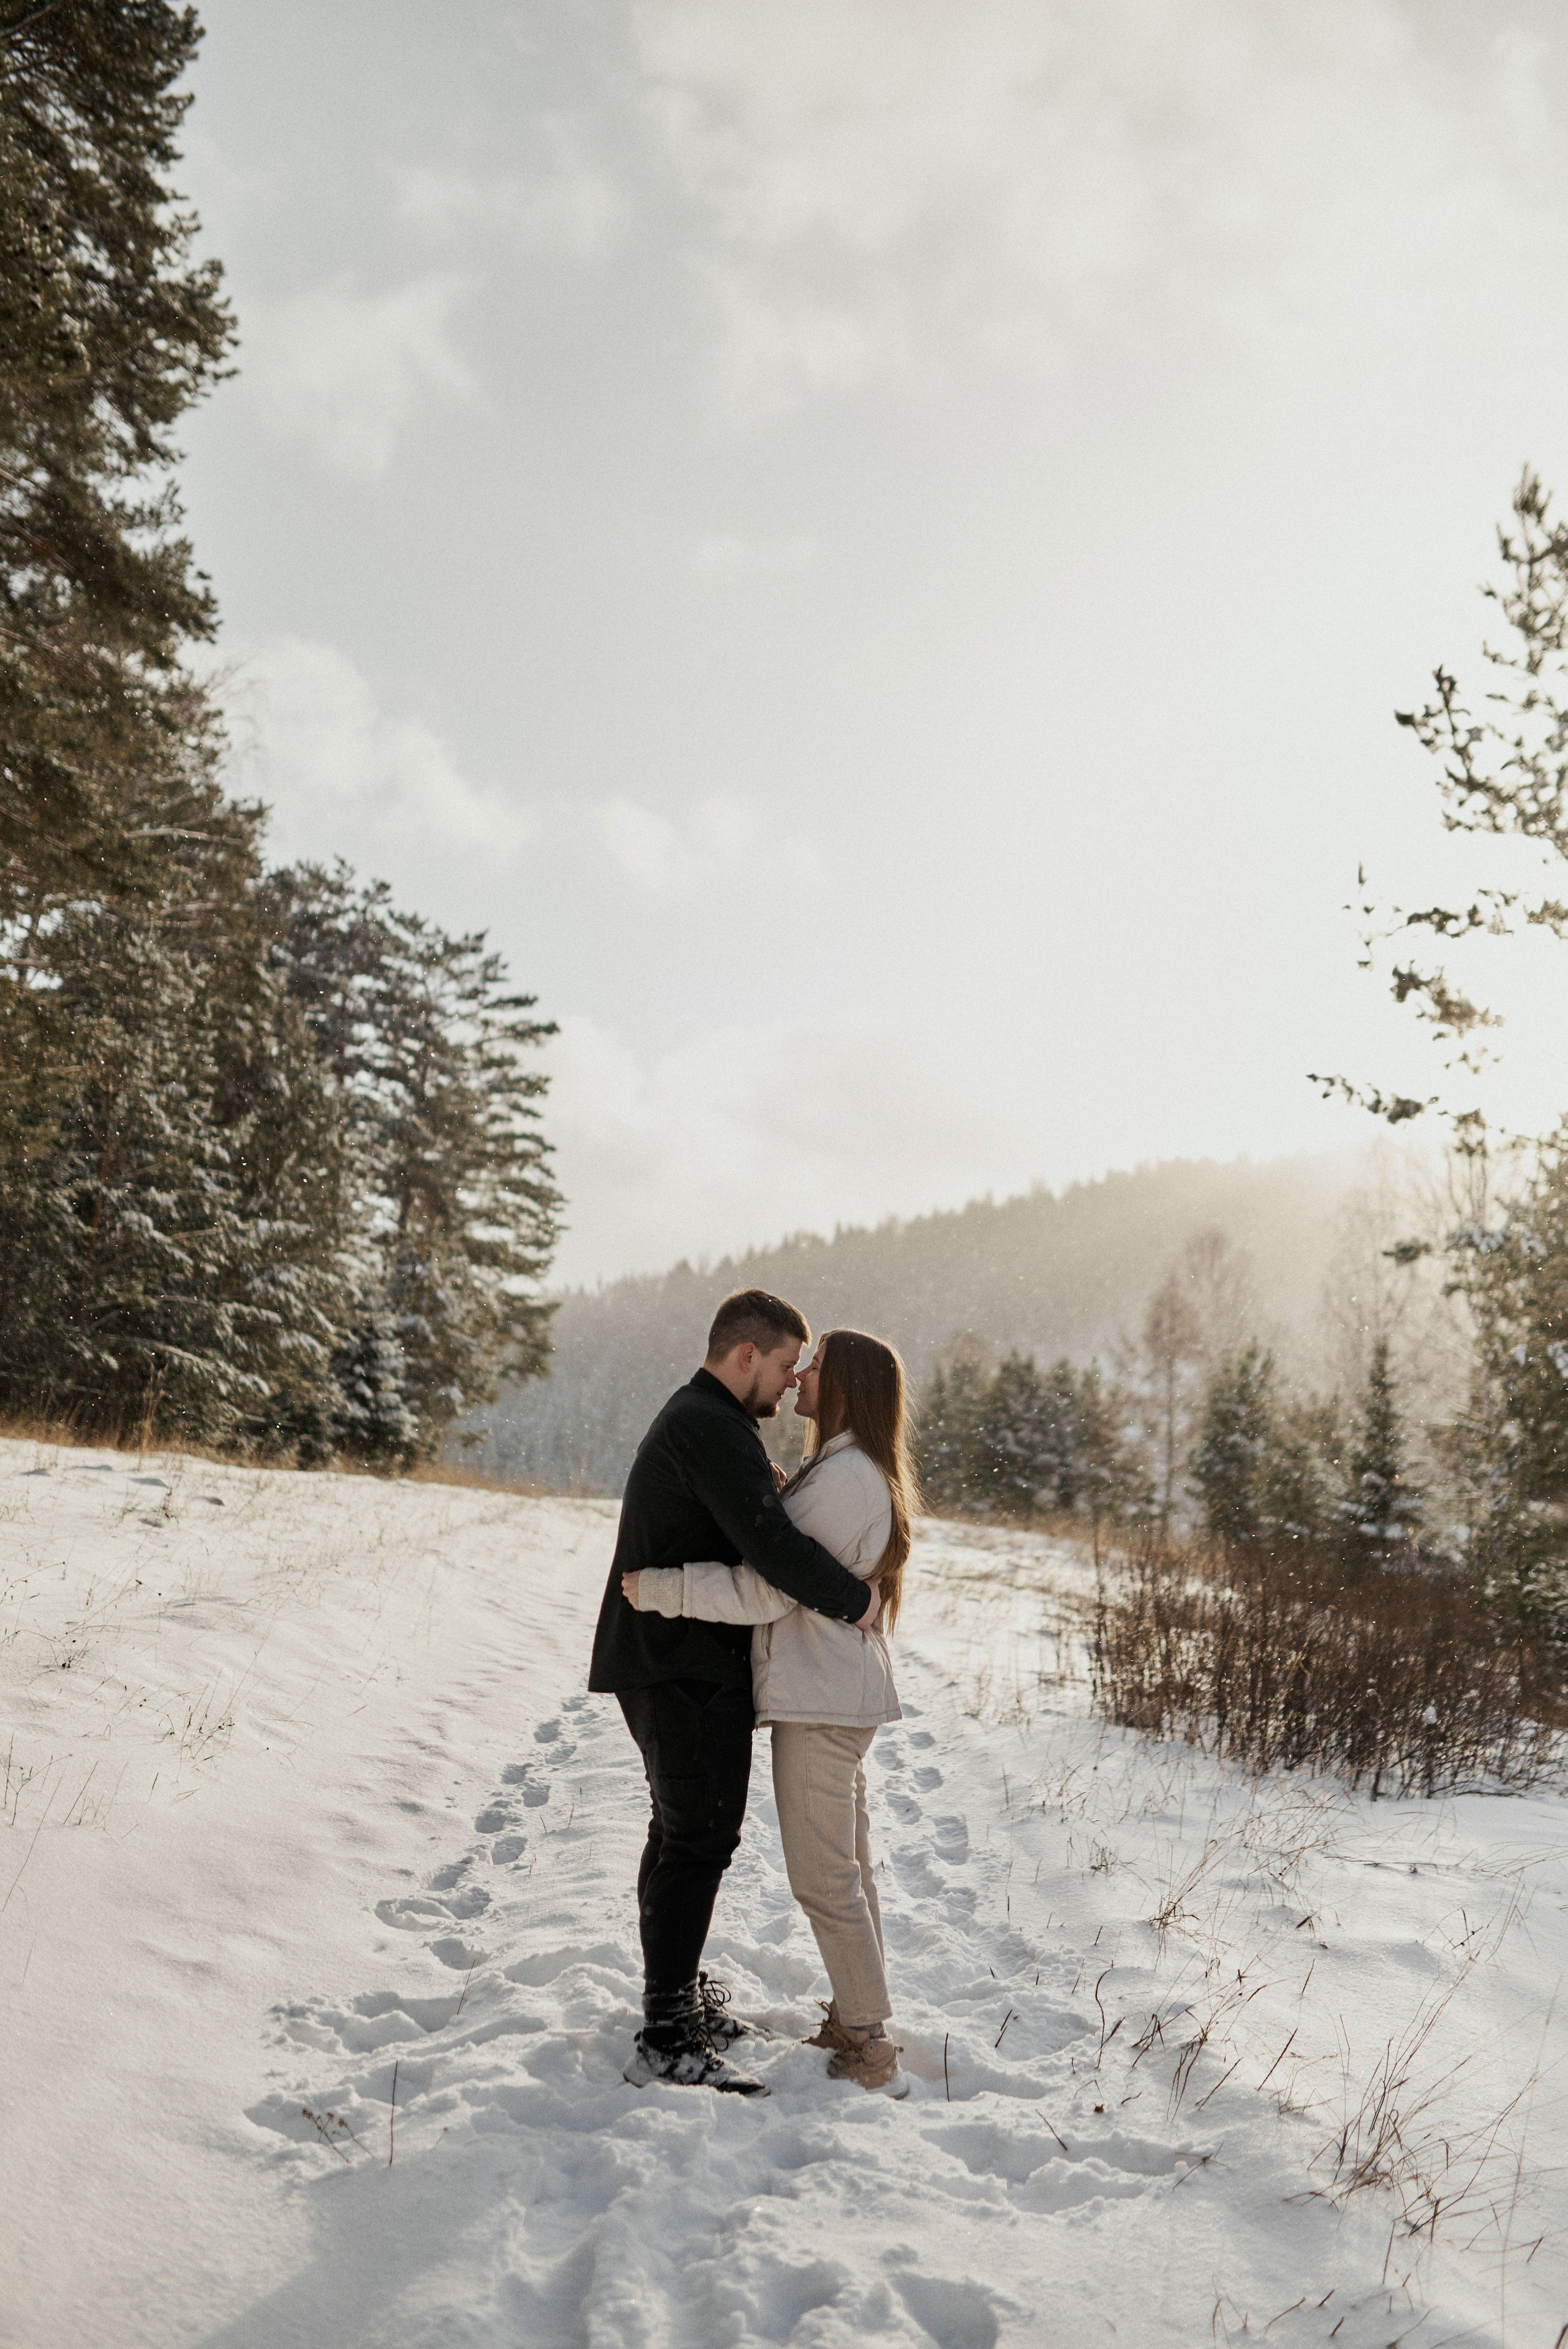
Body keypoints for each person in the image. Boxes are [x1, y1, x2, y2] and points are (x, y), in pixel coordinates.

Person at [589, 1288, 879, 2096]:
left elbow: (741, 1525)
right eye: (787, 1363)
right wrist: (857, 1599)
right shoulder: (710, 1425)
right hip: (679, 1664)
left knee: (684, 1833)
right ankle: (667, 2031)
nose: (792, 1384)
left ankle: (674, 2001)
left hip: (673, 1660)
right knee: (697, 1838)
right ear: (744, 1354)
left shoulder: (710, 1424)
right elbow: (775, 1552)